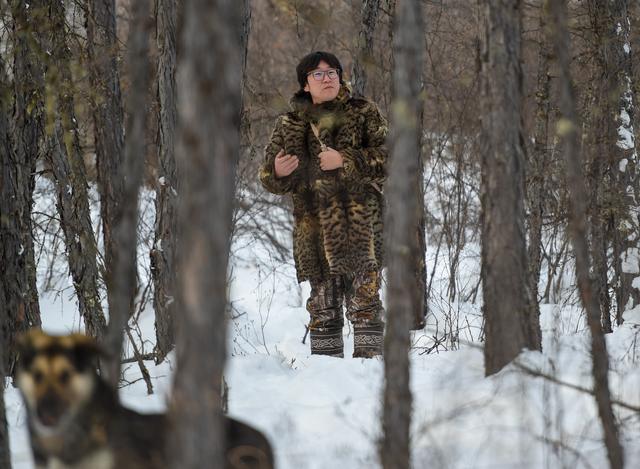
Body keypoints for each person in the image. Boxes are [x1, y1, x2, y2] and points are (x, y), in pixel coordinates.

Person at [259, 51, 388, 358]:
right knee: (322, 308)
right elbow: (267, 177)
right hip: (314, 231)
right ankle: (325, 381)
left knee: (365, 303)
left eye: (332, 72)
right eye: (318, 74)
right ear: (305, 84)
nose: (327, 78)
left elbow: (390, 156)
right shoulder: (289, 124)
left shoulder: (363, 111)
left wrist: (346, 159)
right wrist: (277, 172)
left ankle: (370, 374)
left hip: (360, 227)